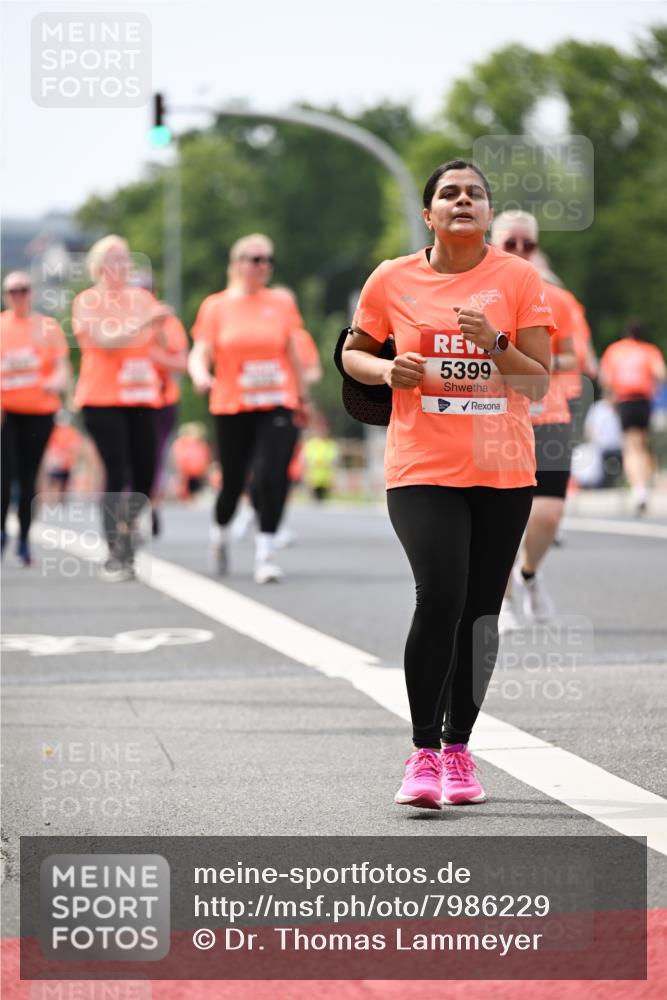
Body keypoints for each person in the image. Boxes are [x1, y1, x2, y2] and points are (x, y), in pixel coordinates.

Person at [342, 160, 554, 810]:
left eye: (475, 194)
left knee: (480, 615)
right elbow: (353, 351)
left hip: (502, 471)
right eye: (449, 194)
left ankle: (459, 751)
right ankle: (422, 752)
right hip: (420, 468)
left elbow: (537, 382)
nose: (463, 200)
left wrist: (493, 344)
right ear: (429, 214)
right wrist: (384, 371)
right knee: (439, 597)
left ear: (486, 213)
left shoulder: (519, 280)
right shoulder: (391, 278)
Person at [188, 233, 309, 584]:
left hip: (277, 401)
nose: (263, 266)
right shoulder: (216, 306)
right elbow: (200, 351)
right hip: (231, 403)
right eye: (255, 259)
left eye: (267, 260)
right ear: (237, 263)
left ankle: (265, 555)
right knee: (232, 481)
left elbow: (293, 355)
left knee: (272, 475)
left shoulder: (281, 304)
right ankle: (220, 533)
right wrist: (200, 375)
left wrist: (301, 399)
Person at [489, 211, 577, 627]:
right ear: (494, 244)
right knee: (501, 515)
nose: (521, 251)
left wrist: (531, 361)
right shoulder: (481, 295)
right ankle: (502, 599)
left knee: (547, 515)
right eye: (511, 244)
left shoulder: (556, 297)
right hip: (497, 418)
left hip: (548, 414)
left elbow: (575, 356)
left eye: (528, 244)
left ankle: (528, 575)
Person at [72, 236, 171, 581]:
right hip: (101, 398)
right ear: (98, 266)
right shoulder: (88, 300)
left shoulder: (142, 298)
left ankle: (128, 524)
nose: (122, 265)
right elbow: (104, 340)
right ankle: (115, 550)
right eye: (114, 259)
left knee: (146, 471)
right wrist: (144, 323)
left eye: (126, 258)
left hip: (142, 397)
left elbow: (162, 343)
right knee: (116, 471)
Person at [1, 271, 70, 565]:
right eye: (13, 291)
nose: (19, 296)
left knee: (29, 477)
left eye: (24, 290)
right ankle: (2, 530)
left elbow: (62, 366)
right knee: (6, 473)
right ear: (6, 295)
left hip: (40, 412)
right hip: (7, 412)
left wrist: (56, 380)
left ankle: (25, 539)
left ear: (32, 293)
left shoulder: (47, 327)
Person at [132, 272, 188, 537]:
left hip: (160, 401)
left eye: (146, 291)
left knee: (153, 457)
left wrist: (154, 356)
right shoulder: (120, 321)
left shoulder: (167, 322)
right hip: (125, 400)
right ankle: (130, 510)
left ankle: (151, 504)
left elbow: (181, 362)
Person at [599, 321, 666, 514]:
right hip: (643, 400)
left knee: (630, 446)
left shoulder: (615, 351)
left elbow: (605, 378)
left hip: (625, 400)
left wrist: (611, 398)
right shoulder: (649, 350)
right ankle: (643, 486)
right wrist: (655, 391)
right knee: (641, 444)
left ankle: (638, 490)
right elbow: (660, 373)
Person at [40, 410, 82, 502]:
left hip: (65, 463)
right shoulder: (55, 431)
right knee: (55, 483)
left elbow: (75, 447)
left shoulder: (70, 432)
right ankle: (54, 500)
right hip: (58, 462)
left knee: (61, 483)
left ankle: (58, 501)